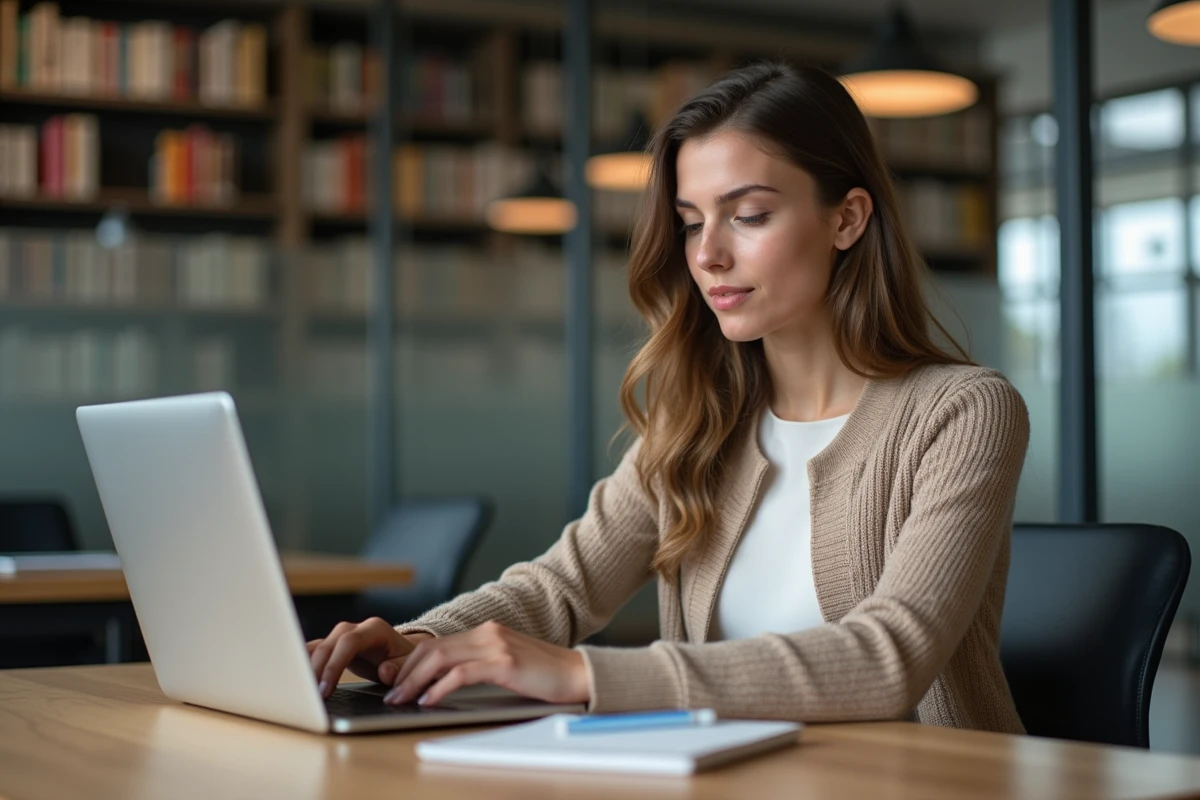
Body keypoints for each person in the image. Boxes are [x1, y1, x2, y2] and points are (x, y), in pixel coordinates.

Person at [308, 61, 1030, 733]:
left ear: (847, 219)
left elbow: (890, 657)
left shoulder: (962, 412)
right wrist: (420, 641)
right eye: (691, 222)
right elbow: (560, 589)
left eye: (747, 215)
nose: (708, 254)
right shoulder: (700, 422)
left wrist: (583, 673)